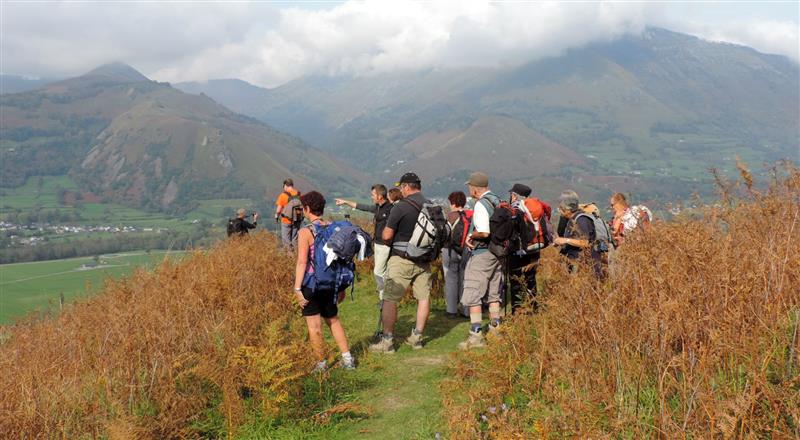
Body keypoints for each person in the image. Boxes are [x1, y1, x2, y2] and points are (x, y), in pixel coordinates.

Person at [369, 173, 434, 353]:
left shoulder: (401, 207)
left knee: (390, 298)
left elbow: (387, 235)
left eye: (401, 187)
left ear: (406, 187)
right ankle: (417, 338)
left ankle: (388, 342)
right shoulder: (430, 204)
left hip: (402, 259)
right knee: (423, 298)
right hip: (424, 259)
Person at [293, 191, 355, 371]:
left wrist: (297, 289)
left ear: (307, 208)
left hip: (311, 284)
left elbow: (302, 262)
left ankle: (321, 364)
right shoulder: (333, 227)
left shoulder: (306, 231)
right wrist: (341, 287)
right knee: (333, 320)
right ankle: (347, 359)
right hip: (330, 284)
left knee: (314, 327)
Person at [458, 172, 504, 350]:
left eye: (470, 186)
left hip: (483, 253)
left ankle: (476, 336)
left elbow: (484, 232)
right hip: (497, 253)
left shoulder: (480, 205)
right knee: (494, 293)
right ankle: (496, 330)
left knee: (473, 293)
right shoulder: (497, 201)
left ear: (475, 189)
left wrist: (471, 235)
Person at [335, 184, 393, 300]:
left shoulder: (391, 209)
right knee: (383, 271)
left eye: (373, 195)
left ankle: (384, 298)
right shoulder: (378, 207)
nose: (371, 197)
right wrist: (345, 202)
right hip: (377, 244)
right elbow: (362, 206)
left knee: (378, 272)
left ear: (380, 196)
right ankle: (386, 296)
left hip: (385, 245)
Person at [553, 190, 604, 279]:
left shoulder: (581, 220)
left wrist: (565, 240)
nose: (559, 210)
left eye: (560, 208)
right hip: (578, 265)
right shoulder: (573, 219)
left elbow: (585, 242)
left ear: (567, 209)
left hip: (585, 267)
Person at [507, 184, 539, 313]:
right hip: (533, 249)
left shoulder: (515, 210)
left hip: (517, 250)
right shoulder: (532, 209)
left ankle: (517, 308)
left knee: (516, 280)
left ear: (515, 195)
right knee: (530, 278)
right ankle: (534, 307)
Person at [442, 191, 469, 319]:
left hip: (449, 251)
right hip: (465, 251)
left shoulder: (449, 216)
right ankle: (465, 309)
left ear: (452, 203)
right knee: (464, 279)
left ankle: (451, 310)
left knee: (451, 280)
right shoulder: (469, 216)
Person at [275, 179, 302, 251]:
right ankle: (296, 256)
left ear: (286, 185)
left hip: (286, 220)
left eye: (283, 186)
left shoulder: (283, 195)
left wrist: (276, 216)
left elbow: (278, 210)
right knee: (295, 239)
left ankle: (289, 257)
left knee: (286, 241)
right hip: (297, 220)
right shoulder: (299, 194)